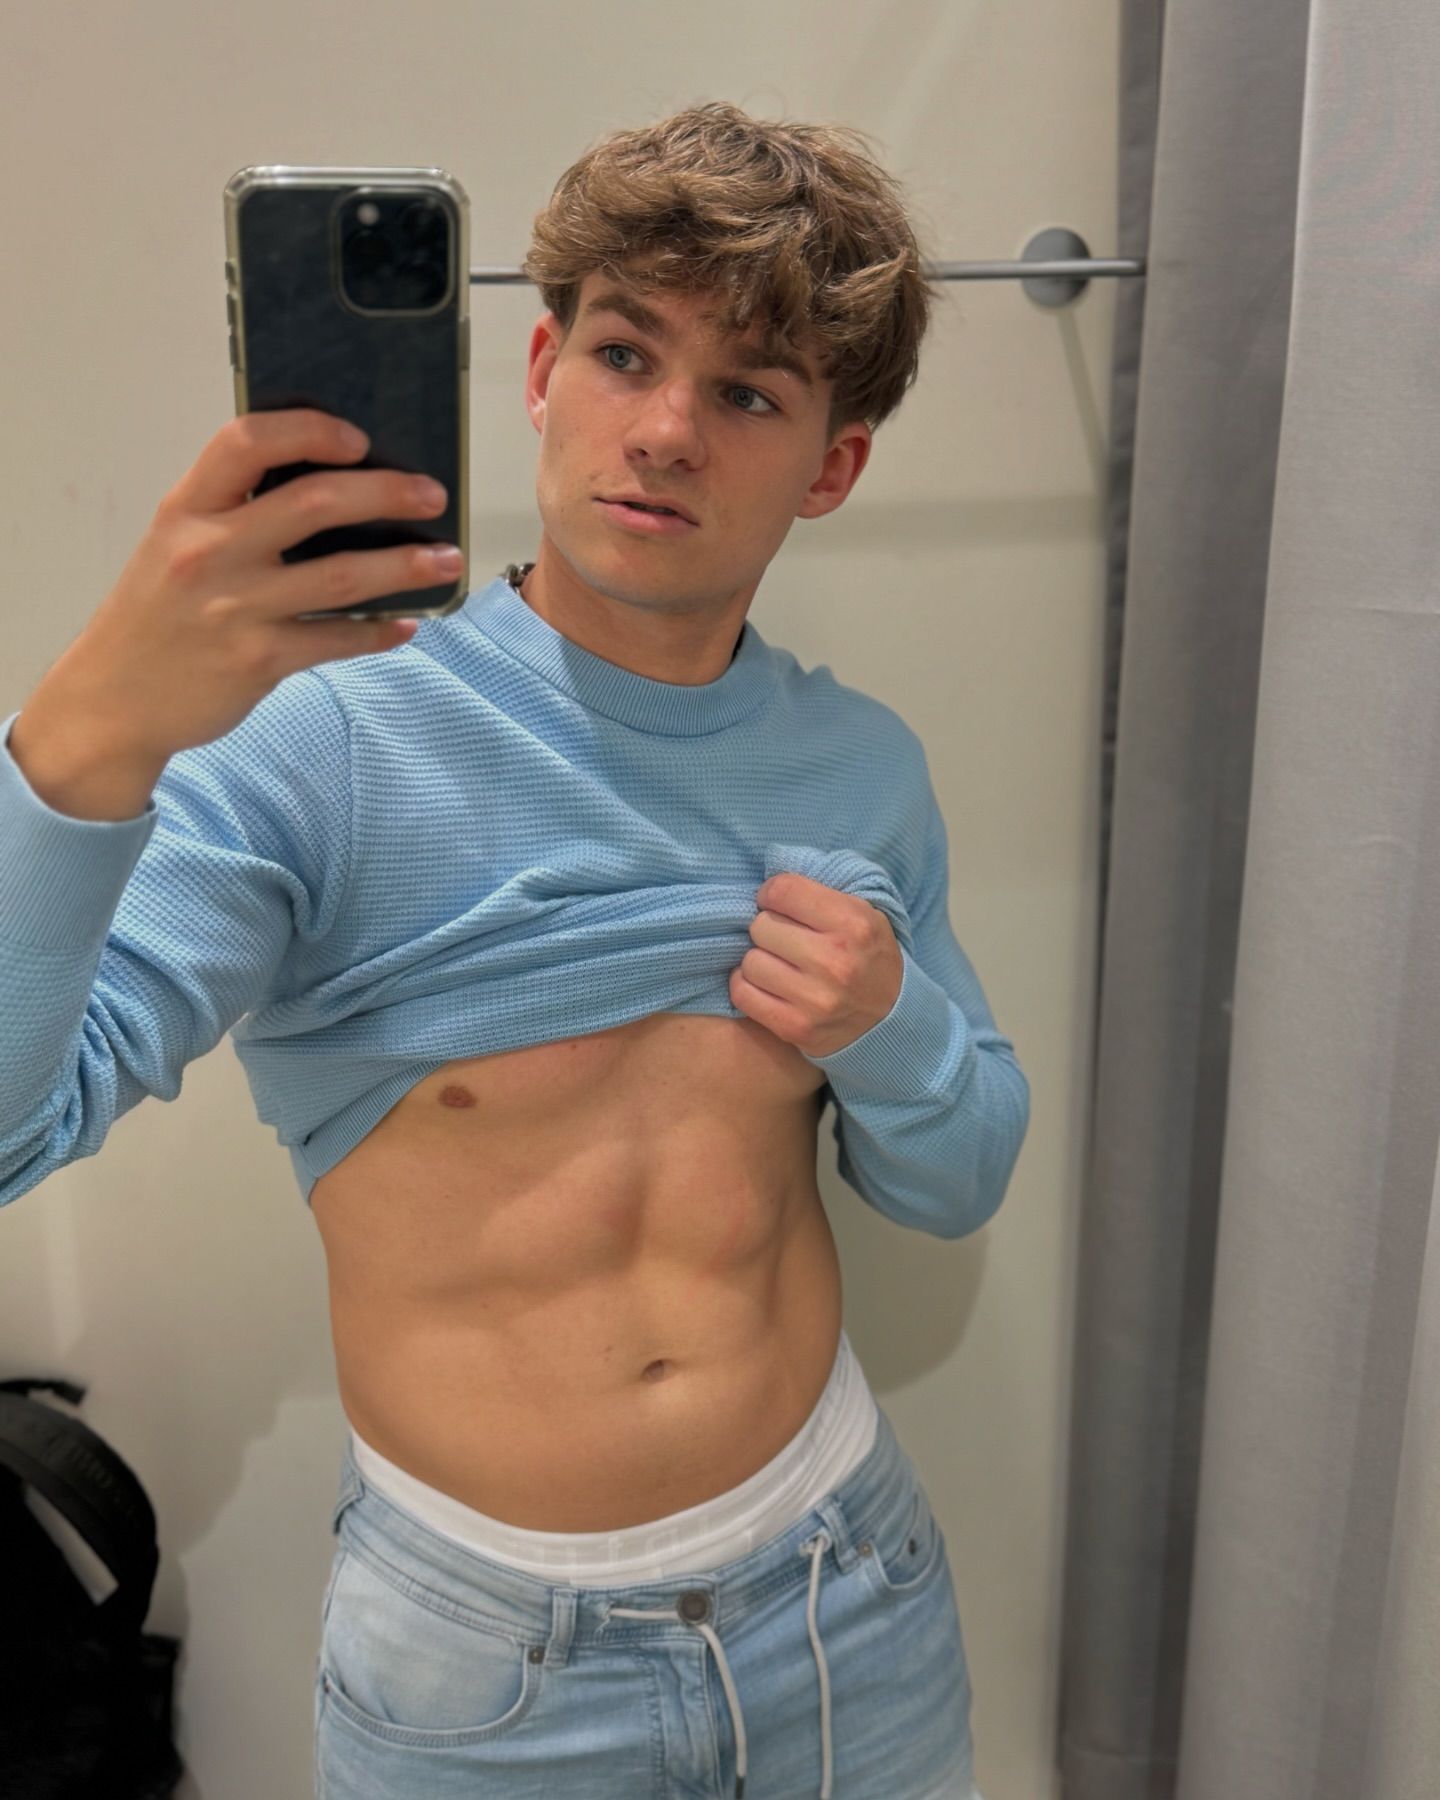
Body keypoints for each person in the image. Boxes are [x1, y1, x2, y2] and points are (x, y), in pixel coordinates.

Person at [0, 100, 1027, 1799]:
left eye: (749, 393)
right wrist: (84, 739)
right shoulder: (323, 738)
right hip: (490, 1674)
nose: (667, 432)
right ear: (542, 371)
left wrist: (889, 1025)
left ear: (832, 465)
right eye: (625, 354)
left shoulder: (860, 769)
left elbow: (961, 1174)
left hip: (852, 1598)